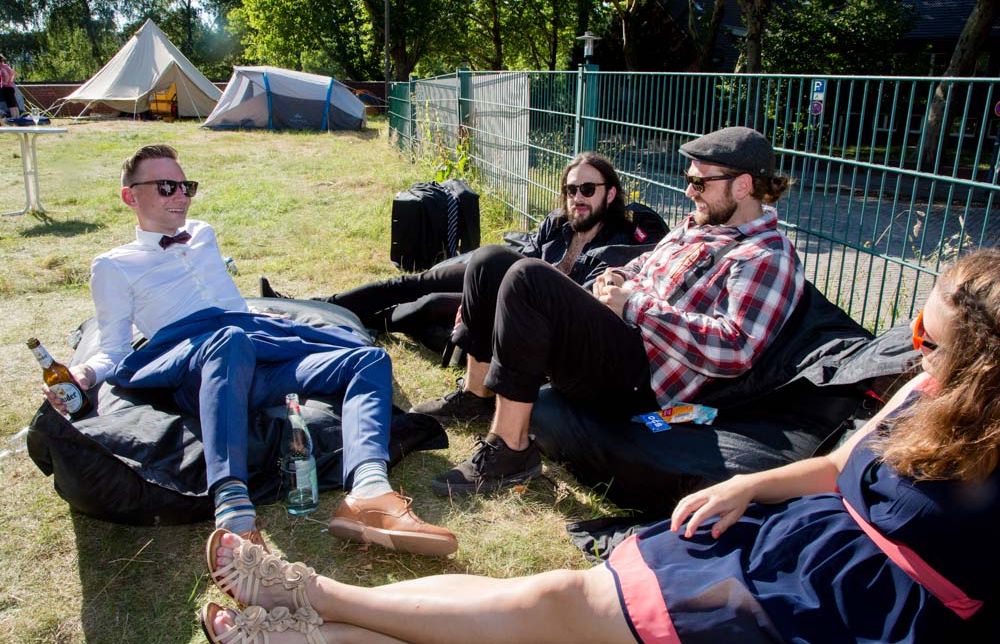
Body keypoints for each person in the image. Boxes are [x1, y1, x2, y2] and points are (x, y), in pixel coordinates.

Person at [199, 248, 999, 643]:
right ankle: (304, 631)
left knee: (559, 606)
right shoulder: (921, 387)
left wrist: (641, 310)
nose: (910, 341)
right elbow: (837, 462)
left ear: (984, 363)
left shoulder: (765, 256)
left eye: (928, 332)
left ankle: (311, 597)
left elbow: (725, 349)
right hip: (792, 542)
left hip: (846, 607)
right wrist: (748, 490)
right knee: (553, 601)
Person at [42, 144, 457, 557]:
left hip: (257, 351)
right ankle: (233, 509)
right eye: (167, 186)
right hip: (194, 363)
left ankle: (369, 493)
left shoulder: (202, 233)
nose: (182, 195)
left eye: (186, 186)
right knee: (229, 340)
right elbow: (113, 348)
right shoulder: (113, 265)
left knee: (368, 358)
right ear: (130, 196)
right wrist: (84, 375)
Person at [415, 126, 805, 495]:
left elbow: (734, 349)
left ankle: (511, 450)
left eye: (700, 182)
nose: (689, 191)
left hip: (646, 379)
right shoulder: (696, 226)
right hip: (620, 335)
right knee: (489, 262)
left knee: (528, 278)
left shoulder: (765, 256)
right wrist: (615, 277)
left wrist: (635, 306)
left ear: (743, 185)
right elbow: (642, 265)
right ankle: (476, 394)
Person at [258, 151, 660, 376]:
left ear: (610, 195)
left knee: (431, 303)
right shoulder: (557, 223)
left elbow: (580, 304)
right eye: (571, 189)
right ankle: (312, 305)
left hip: (514, 307)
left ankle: (358, 322)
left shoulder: (619, 244)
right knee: (416, 281)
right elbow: (528, 257)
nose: (577, 197)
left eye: (588, 189)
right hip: (495, 273)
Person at [0, 54, 19, 118]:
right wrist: (11, 81)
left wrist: (5, 82)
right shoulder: (6, 66)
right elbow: (15, 74)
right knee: (14, 104)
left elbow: (6, 75)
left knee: (10, 105)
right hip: (11, 87)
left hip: (6, 88)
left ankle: (14, 119)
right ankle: (17, 118)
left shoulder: (2, 67)